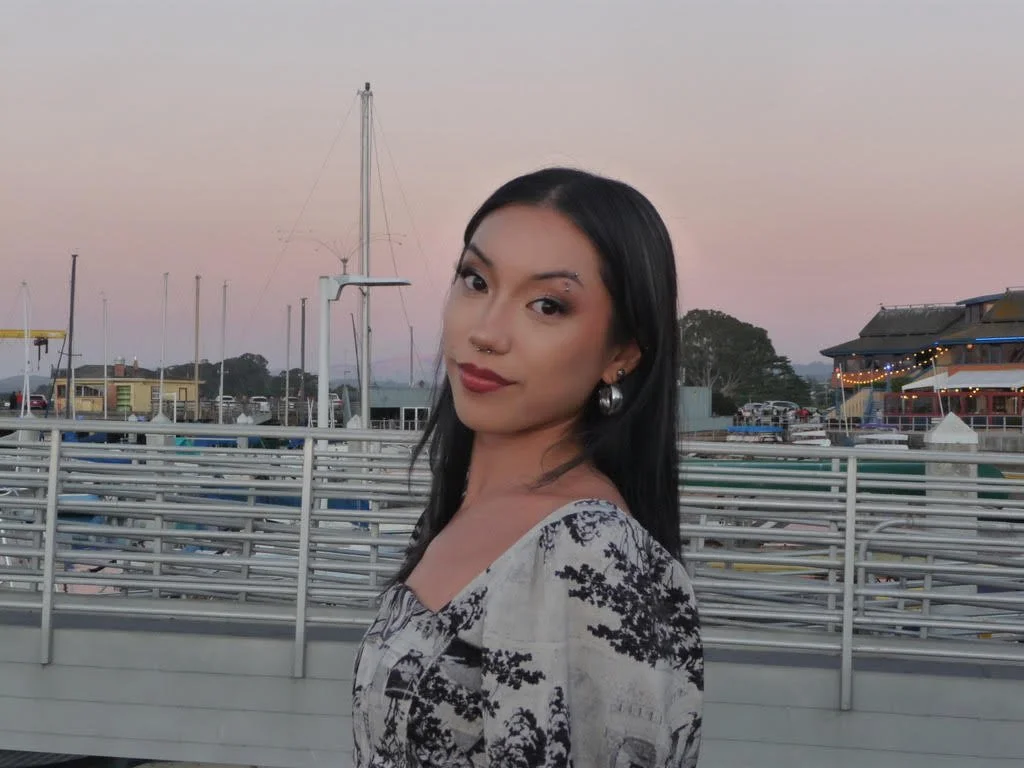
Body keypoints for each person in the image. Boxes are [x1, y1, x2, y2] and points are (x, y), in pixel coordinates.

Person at [352, 168, 703, 767]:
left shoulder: (586, 552)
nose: (486, 332)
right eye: (475, 280)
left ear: (621, 353)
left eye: (547, 305)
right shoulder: (469, 512)